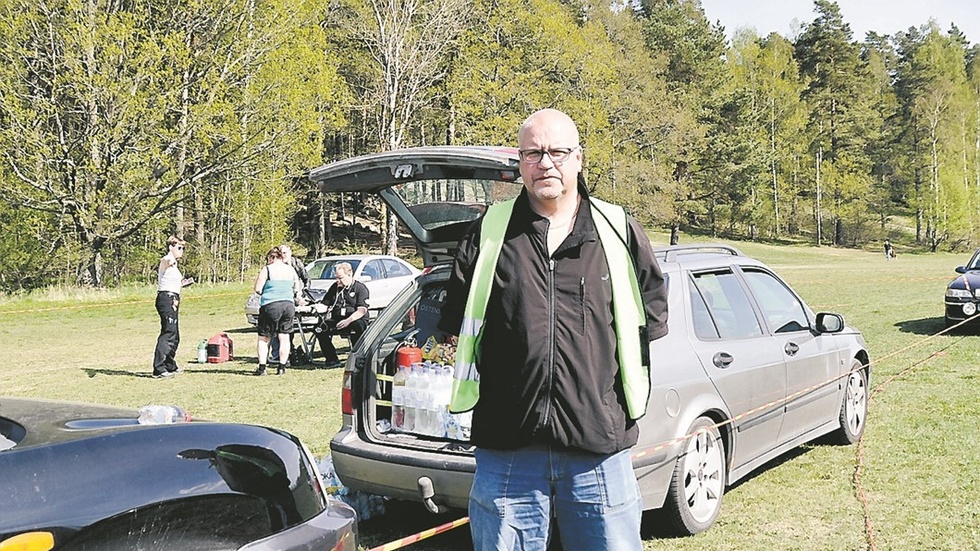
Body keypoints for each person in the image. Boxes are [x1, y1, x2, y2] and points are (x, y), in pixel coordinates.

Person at [436, 108, 668, 550]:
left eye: (557, 152)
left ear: (579, 158)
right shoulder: (487, 233)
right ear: (519, 163)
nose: (546, 163)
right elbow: (456, 323)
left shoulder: (618, 231)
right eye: (533, 153)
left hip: (598, 445)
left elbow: (651, 320)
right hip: (508, 448)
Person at [254, 246, 302, 376]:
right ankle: (282, 367)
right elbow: (297, 288)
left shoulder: (267, 269)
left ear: (271, 257)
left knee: (264, 337)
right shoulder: (290, 270)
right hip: (288, 305)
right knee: (284, 337)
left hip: (271, 305)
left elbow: (258, 289)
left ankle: (262, 367)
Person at [152, 236, 194, 379]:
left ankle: (170, 364)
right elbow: (164, 262)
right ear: (171, 247)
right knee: (168, 332)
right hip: (166, 298)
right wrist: (169, 260)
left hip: (174, 298)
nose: (181, 251)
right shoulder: (167, 260)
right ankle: (159, 368)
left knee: (175, 335)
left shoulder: (175, 266)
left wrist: (185, 282)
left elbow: (174, 282)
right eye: (179, 248)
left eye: (183, 248)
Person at [317, 262, 370, 368]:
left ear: (349, 274)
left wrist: (348, 321)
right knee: (319, 328)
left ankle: (357, 358)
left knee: (358, 326)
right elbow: (324, 304)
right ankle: (331, 359)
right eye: (336, 278)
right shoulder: (335, 288)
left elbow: (362, 310)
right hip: (338, 320)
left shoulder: (360, 288)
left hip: (353, 319)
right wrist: (313, 307)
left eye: (340, 278)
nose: (338, 281)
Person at [270, 244, 309, 364]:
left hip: (294, 299)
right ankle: (277, 355)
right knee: (277, 329)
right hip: (279, 299)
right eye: (281, 253)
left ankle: (288, 353)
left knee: (287, 329)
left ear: (290, 252)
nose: (284, 255)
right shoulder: (275, 266)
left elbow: (306, 279)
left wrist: (303, 294)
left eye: (285, 253)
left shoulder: (297, 263)